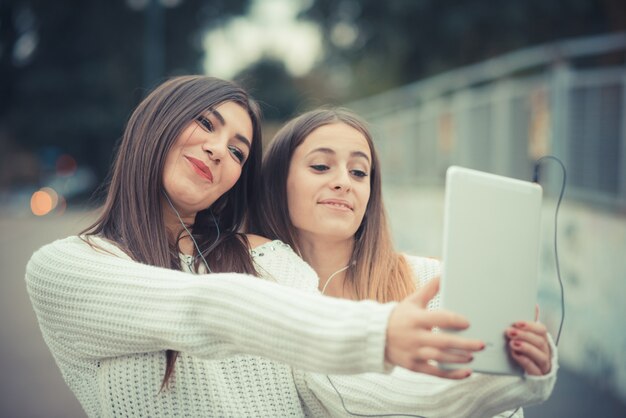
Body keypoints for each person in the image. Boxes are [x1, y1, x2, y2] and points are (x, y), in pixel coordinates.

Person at [25, 76, 487, 417]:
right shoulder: (64, 268)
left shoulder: (268, 257)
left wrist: (501, 388)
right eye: (206, 124)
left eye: (239, 150)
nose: (219, 150)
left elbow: (337, 390)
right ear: (155, 124)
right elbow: (201, 308)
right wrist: (378, 332)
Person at [252, 107, 558, 417]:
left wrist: (522, 371)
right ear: (277, 182)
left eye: (359, 172)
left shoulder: (433, 281)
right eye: (320, 166)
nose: (344, 182)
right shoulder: (257, 289)